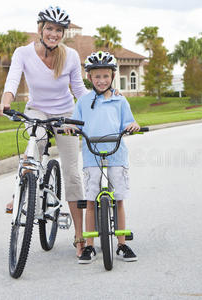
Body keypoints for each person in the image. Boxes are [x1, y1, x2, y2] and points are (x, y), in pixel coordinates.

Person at [0, 6, 119, 258]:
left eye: (58, 30)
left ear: (63, 33)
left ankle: (80, 238)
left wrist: (98, 106)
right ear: (40, 29)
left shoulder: (70, 56)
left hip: (65, 114)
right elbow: (12, 83)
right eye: (49, 28)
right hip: (36, 110)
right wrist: (4, 104)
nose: (53, 34)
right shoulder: (23, 53)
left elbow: (79, 91)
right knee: (32, 149)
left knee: (72, 173)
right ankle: (20, 194)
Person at [65, 51, 139, 264]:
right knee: (90, 200)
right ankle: (89, 246)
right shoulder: (83, 101)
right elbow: (75, 122)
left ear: (112, 76)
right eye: (97, 76)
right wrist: (70, 127)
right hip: (92, 156)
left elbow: (129, 122)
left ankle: (122, 243)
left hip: (116, 155)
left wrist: (132, 126)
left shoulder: (120, 100)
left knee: (118, 199)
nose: (101, 80)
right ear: (89, 77)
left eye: (106, 76)